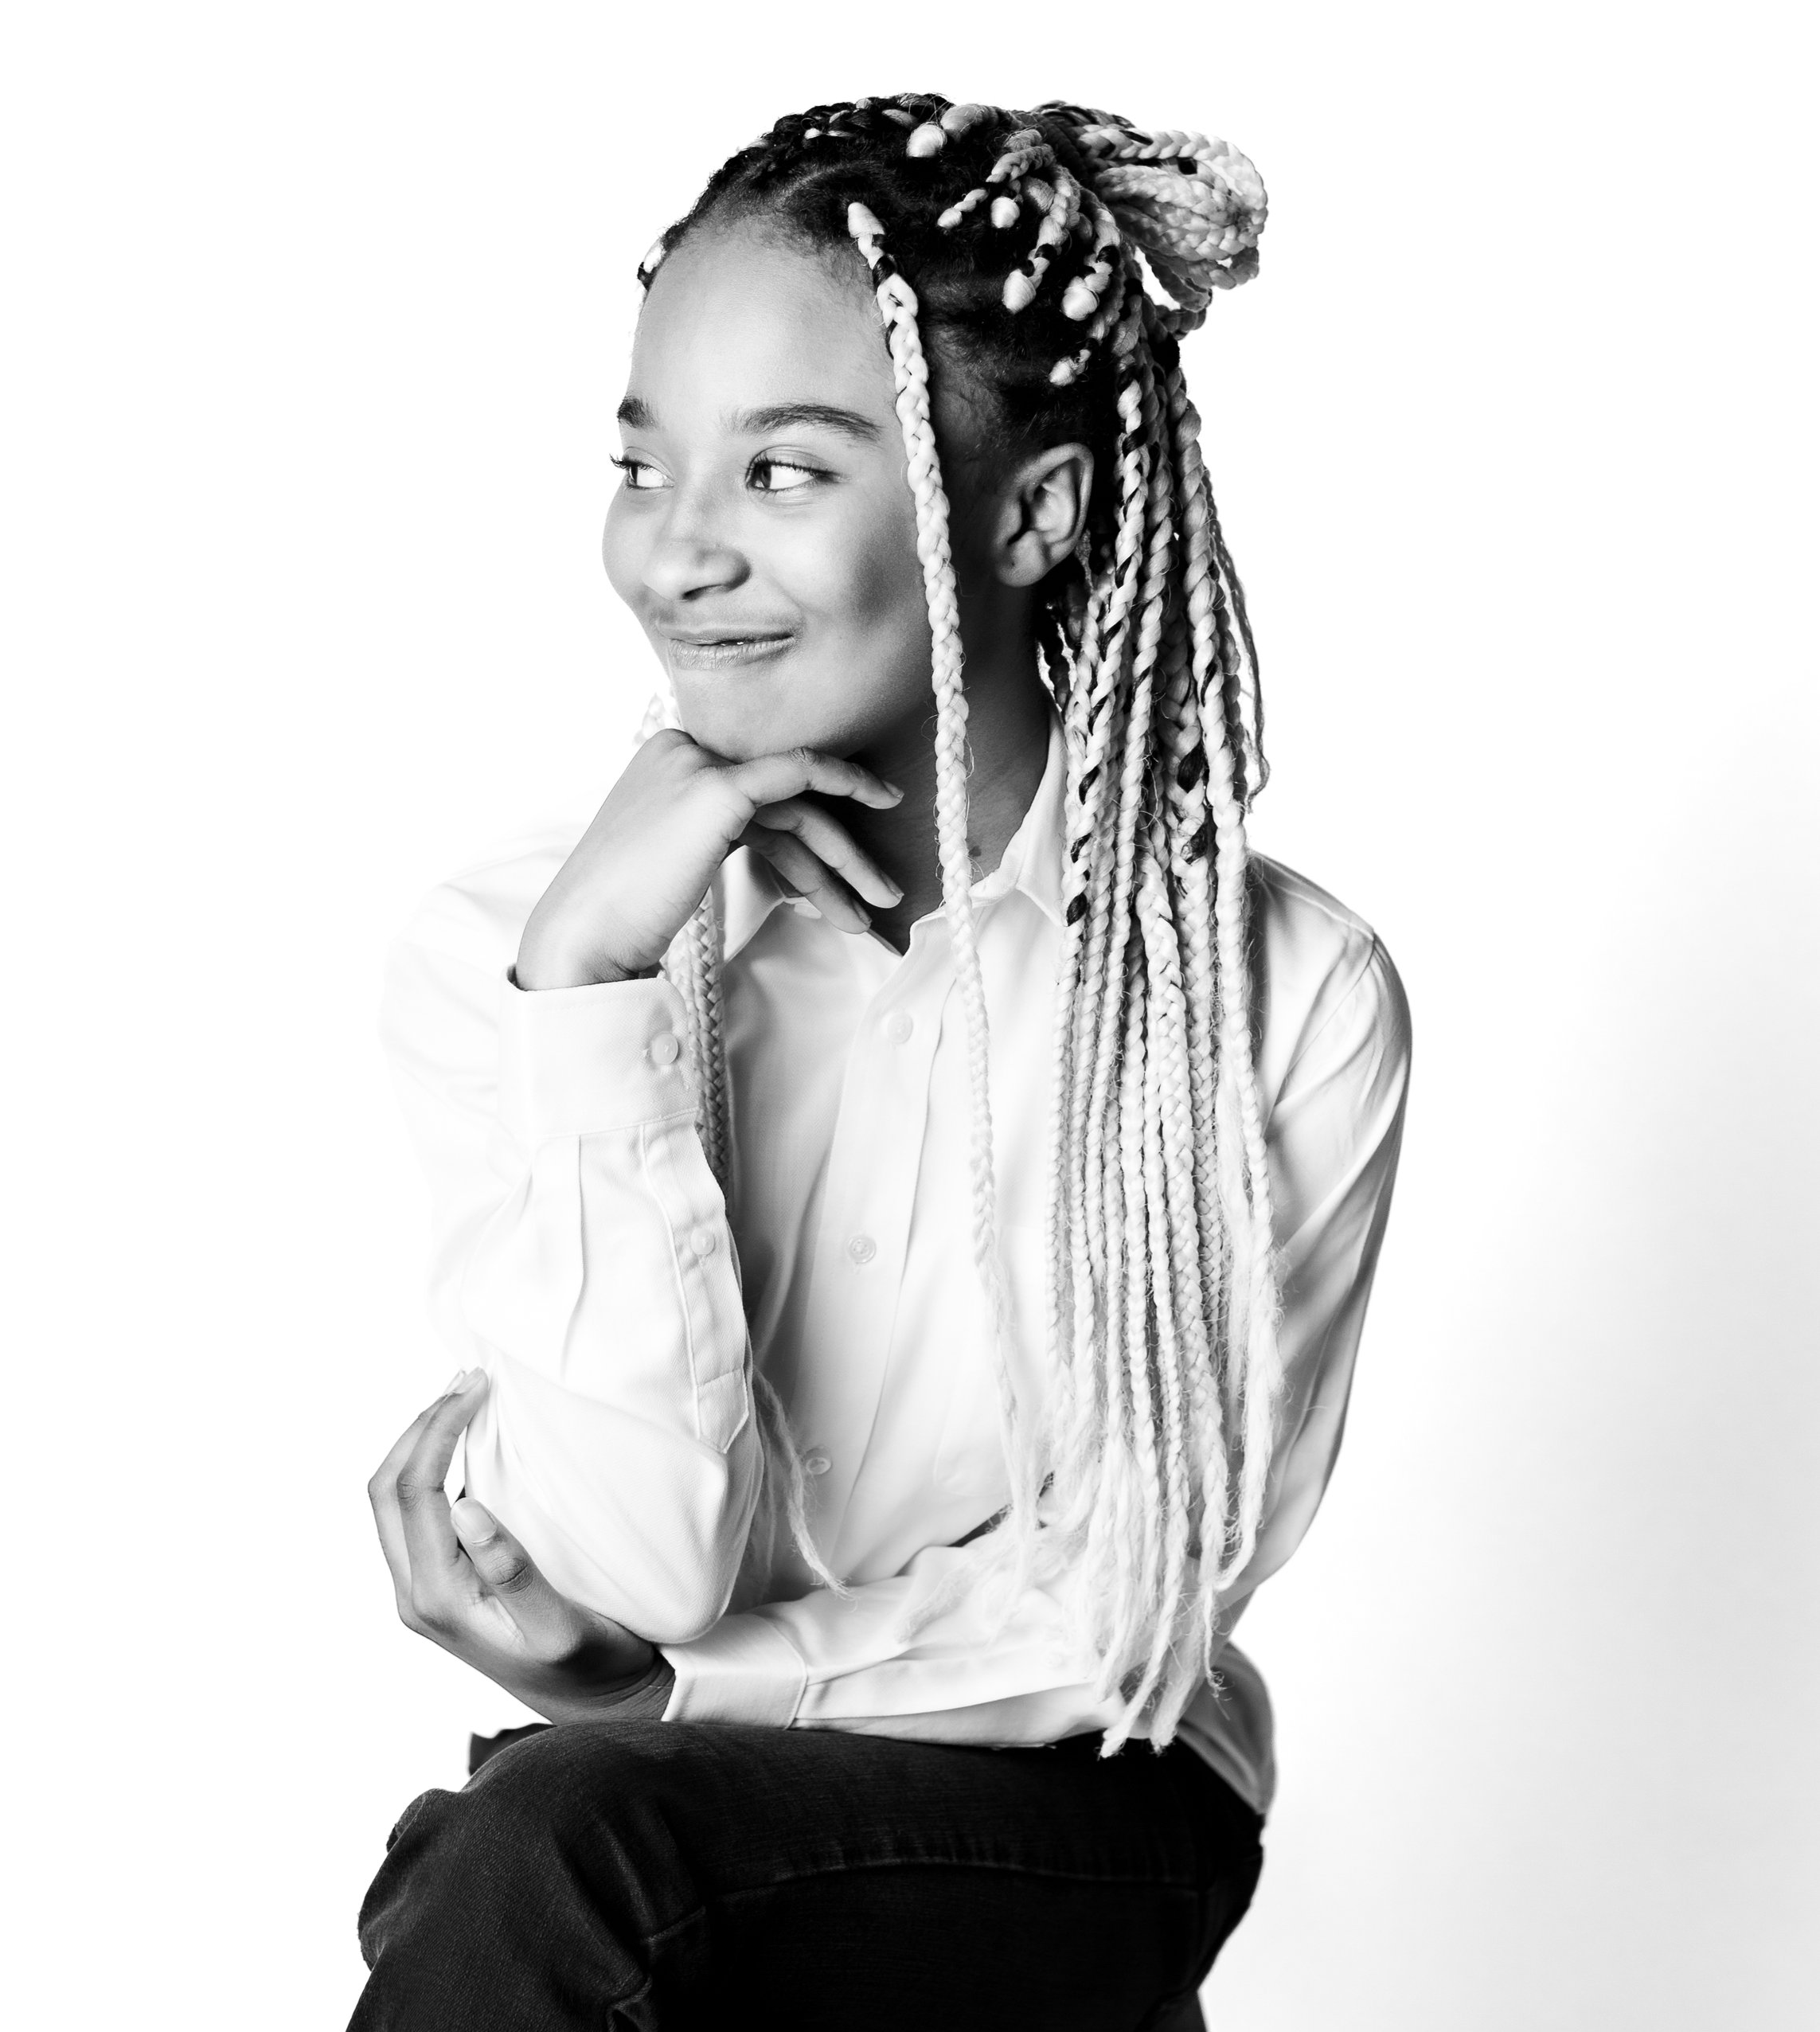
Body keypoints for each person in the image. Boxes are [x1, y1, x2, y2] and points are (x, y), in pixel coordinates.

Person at [353, 93, 1411, 2031]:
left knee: (543, 1853)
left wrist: (665, 1696)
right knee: (544, 1855)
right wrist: (592, 986)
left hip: (1086, 1807)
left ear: (1031, 513)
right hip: (663, 1813)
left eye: (781, 469)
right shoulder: (509, 957)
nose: (673, 554)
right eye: (639, 459)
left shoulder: (1268, 994)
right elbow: (634, 1556)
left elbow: (1120, 1612)